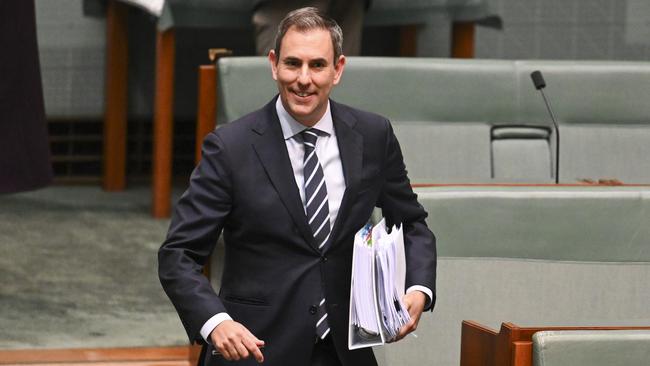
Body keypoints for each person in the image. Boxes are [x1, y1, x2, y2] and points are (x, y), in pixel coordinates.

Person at [158, 7, 436, 366]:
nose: (303, 79)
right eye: (293, 64)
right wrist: (216, 323)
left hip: (343, 352)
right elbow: (178, 254)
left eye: (317, 65)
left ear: (338, 70)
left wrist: (419, 288)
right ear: (273, 64)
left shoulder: (372, 136)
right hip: (254, 350)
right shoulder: (230, 147)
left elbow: (412, 224)